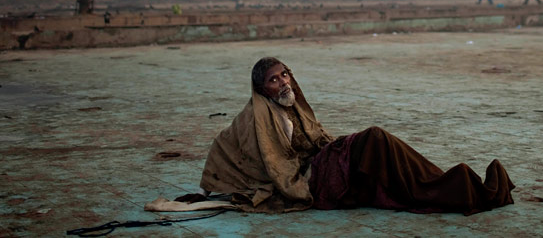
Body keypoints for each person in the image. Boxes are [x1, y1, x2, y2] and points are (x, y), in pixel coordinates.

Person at [194, 57, 514, 215]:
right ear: (262, 89)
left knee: (379, 152)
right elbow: (272, 164)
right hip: (311, 179)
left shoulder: (291, 107)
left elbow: (318, 139)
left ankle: (448, 184)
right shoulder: (257, 118)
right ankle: (452, 185)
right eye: (274, 80)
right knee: (376, 140)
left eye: (285, 75)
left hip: (324, 163)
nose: (283, 83)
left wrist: (336, 148)